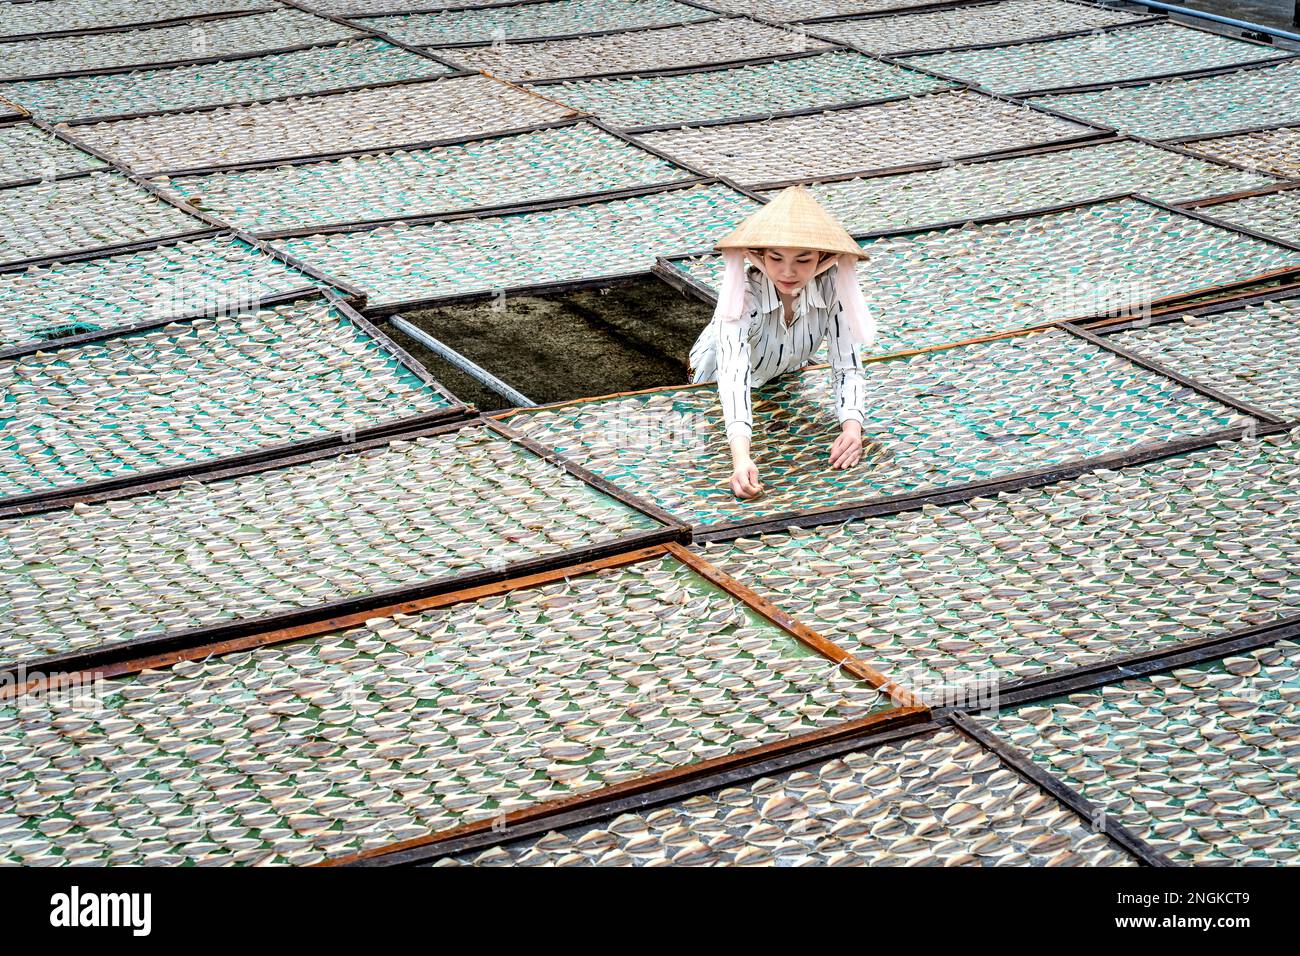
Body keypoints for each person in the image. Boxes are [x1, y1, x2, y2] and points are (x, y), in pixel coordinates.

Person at [687, 184, 876, 499]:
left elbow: (847, 365)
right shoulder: (745, 296)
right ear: (759, 255)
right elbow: (734, 376)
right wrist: (741, 457)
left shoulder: (831, 289)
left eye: (803, 260)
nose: (788, 272)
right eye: (776, 258)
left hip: (783, 374)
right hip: (713, 380)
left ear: (822, 258)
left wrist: (851, 428)